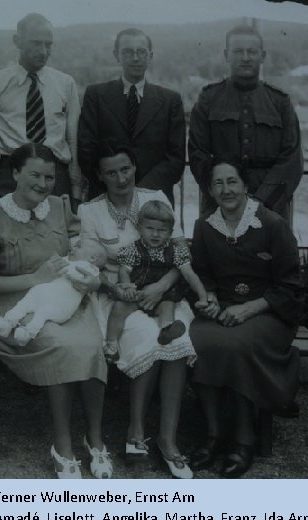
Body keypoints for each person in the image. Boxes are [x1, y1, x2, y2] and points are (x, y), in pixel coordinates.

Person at [0, 143, 111, 479]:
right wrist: (34, 277)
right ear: (15, 173)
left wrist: (92, 279)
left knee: (91, 345)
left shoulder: (61, 208)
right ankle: (62, 446)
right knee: (62, 347)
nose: (43, 183)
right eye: (34, 174)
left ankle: (95, 440)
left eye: (49, 176)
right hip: (20, 304)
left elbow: (83, 255)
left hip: (67, 299)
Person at [78, 146, 196, 479]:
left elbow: (181, 252)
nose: (120, 178)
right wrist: (115, 287)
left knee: (175, 337)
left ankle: (168, 440)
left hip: (164, 290)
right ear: (100, 176)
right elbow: (88, 265)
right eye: (111, 172)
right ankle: (135, 433)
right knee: (145, 335)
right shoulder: (91, 211)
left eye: (126, 169)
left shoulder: (155, 197)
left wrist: (161, 287)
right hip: (119, 293)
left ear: (135, 167)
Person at [188, 160, 302, 478]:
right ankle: (213, 434)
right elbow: (202, 274)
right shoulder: (204, 227)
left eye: (232, 181)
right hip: (223, 310)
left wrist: (249, 308)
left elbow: (290, 287)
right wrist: (208, 297)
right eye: (219, 184)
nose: (226, 190)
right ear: (210, 190)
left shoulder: (272, 224)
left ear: (245, 186)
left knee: (237, 345)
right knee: (196, 340)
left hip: (268, 313)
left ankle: (243, 439)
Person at [188, 24, 303, 219]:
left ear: (263, 56)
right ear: (226, 55)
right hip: (220, 204)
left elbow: (291, 159)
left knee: (269, 250)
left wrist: (261, 202)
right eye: (238, 51)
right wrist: (224, 194)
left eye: (252, 51)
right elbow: (198, 152)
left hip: (270, 207)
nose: (246, 57)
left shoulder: (280, 102)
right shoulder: (209, 99)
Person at [0, 13, 83, 207]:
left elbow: (73, 139)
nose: (43, 51)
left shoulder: (65, 84)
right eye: (35, 43)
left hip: (55, 175)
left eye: (48, 44)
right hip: (12, 176)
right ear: (17, 41)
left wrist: (75, 189)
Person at [78, 28, 185, 203]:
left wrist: (142, 191)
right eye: (128, 52)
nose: (135, 58)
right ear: (116, 55)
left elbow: (176, 157)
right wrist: (114, 186)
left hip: (154, 200)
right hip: (106, 198)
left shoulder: (170, 100)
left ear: (150, 55)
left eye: (141, 52)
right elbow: (86, 150)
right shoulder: (96, 95)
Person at [104, 200, 209, 363]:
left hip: (163, 296)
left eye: (162, 230)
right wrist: (127, 286)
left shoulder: (176, 251)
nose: (155, 234)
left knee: (168, 306)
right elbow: (124, 270)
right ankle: (111, 344)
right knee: (118, 308)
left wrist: (203, 297)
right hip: (138, 292)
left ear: (170, 232)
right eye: (150, 229)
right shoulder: (134, 249)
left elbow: (189, 274)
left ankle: (166, 329)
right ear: (140, 228)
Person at [0, 238, 107, 346]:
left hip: (61, 303)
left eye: (78, 246)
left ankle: (28, 333)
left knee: (42, 313)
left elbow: (73, 274)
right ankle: (7, 322)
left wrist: (56, 265)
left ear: (92, 258)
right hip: (46, 294)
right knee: (25, 303)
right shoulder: (69, 259)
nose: (73, 248)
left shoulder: (88, 268)